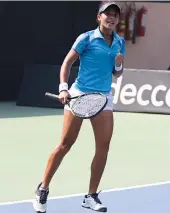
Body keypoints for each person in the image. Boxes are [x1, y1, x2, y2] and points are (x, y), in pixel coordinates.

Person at [33, 1, 126, 212]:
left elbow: (117, 72)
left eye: (115, 15)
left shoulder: (120, 42)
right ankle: (43, 188)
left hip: (103, 98)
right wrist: (64, 88)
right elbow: (67, 63)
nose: (111, 18)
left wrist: (119, 64)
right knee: (65, 144)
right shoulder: (86, 38)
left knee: (103, 147)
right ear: (98, 17)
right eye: (107, 14)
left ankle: (91, 196)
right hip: (79, 94)